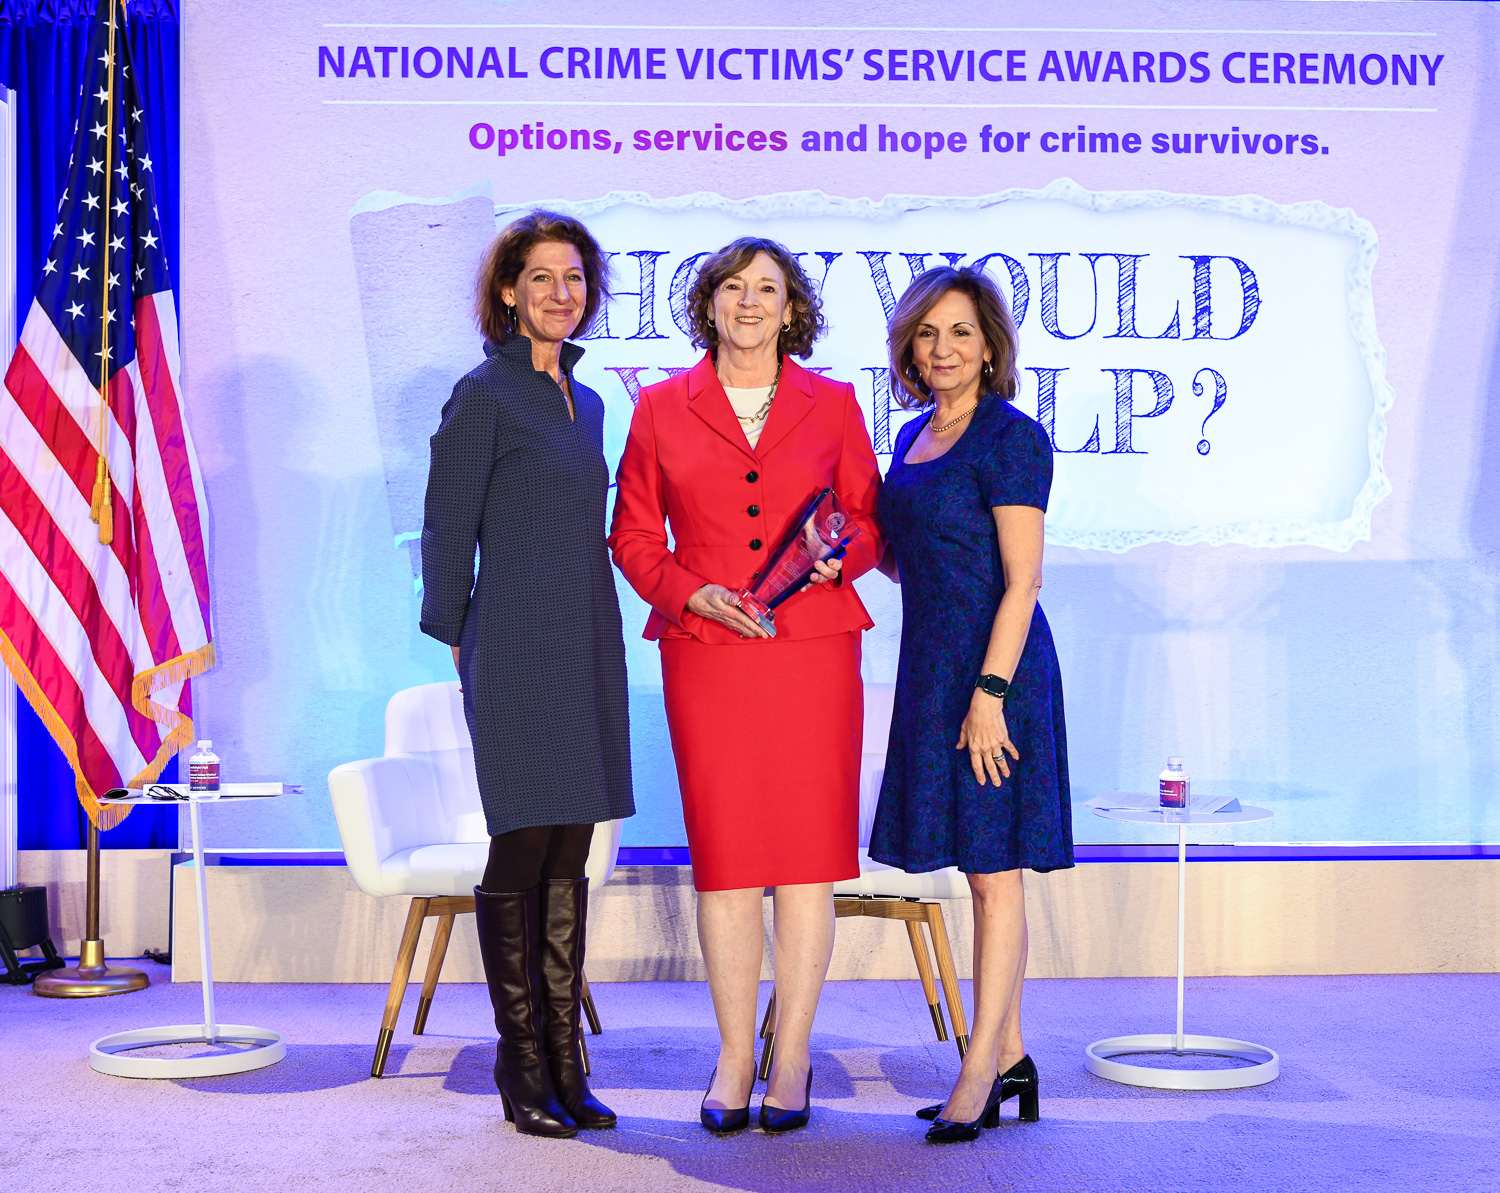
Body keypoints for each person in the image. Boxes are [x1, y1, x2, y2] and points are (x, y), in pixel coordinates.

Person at [609, 237, 882, 1135]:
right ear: (711, 305)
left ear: (792, 307)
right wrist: (695, 592)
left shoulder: (835, 404)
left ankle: (792, 1054)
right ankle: (733, 1055)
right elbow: (635, 540)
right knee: (726, 867)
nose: (751, 302)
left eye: (768, 288)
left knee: (806, 863)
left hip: (811, 652)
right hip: (707, 652)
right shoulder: (656, 407)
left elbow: (870, 526)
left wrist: (838, 559)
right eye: (735, 287)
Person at [420, 210, 634, 1139]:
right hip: (510, 643)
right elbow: (445, 529)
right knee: (521, 843)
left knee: (569, 850)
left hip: (586, 638)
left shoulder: (585, 403)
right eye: (542, 278)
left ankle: (563, 1060)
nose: (560, 293)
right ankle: (520, 1066)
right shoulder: (482, 394)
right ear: (507, 291)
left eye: (574, 278)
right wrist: (460, 635)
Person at [868, 266, 1073, 1144]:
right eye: (927, 335)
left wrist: (989, 694)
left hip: (1000, 676)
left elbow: (1022, 580)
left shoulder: (1011, 437)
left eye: (959, 333)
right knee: (971, 867)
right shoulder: (913, 436)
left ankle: (980, 1065)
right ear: (909, 349)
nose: (942, 349)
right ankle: (1013, 1052)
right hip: (931, 670)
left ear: (990, 345)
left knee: (994, 875)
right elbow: (912, 559)